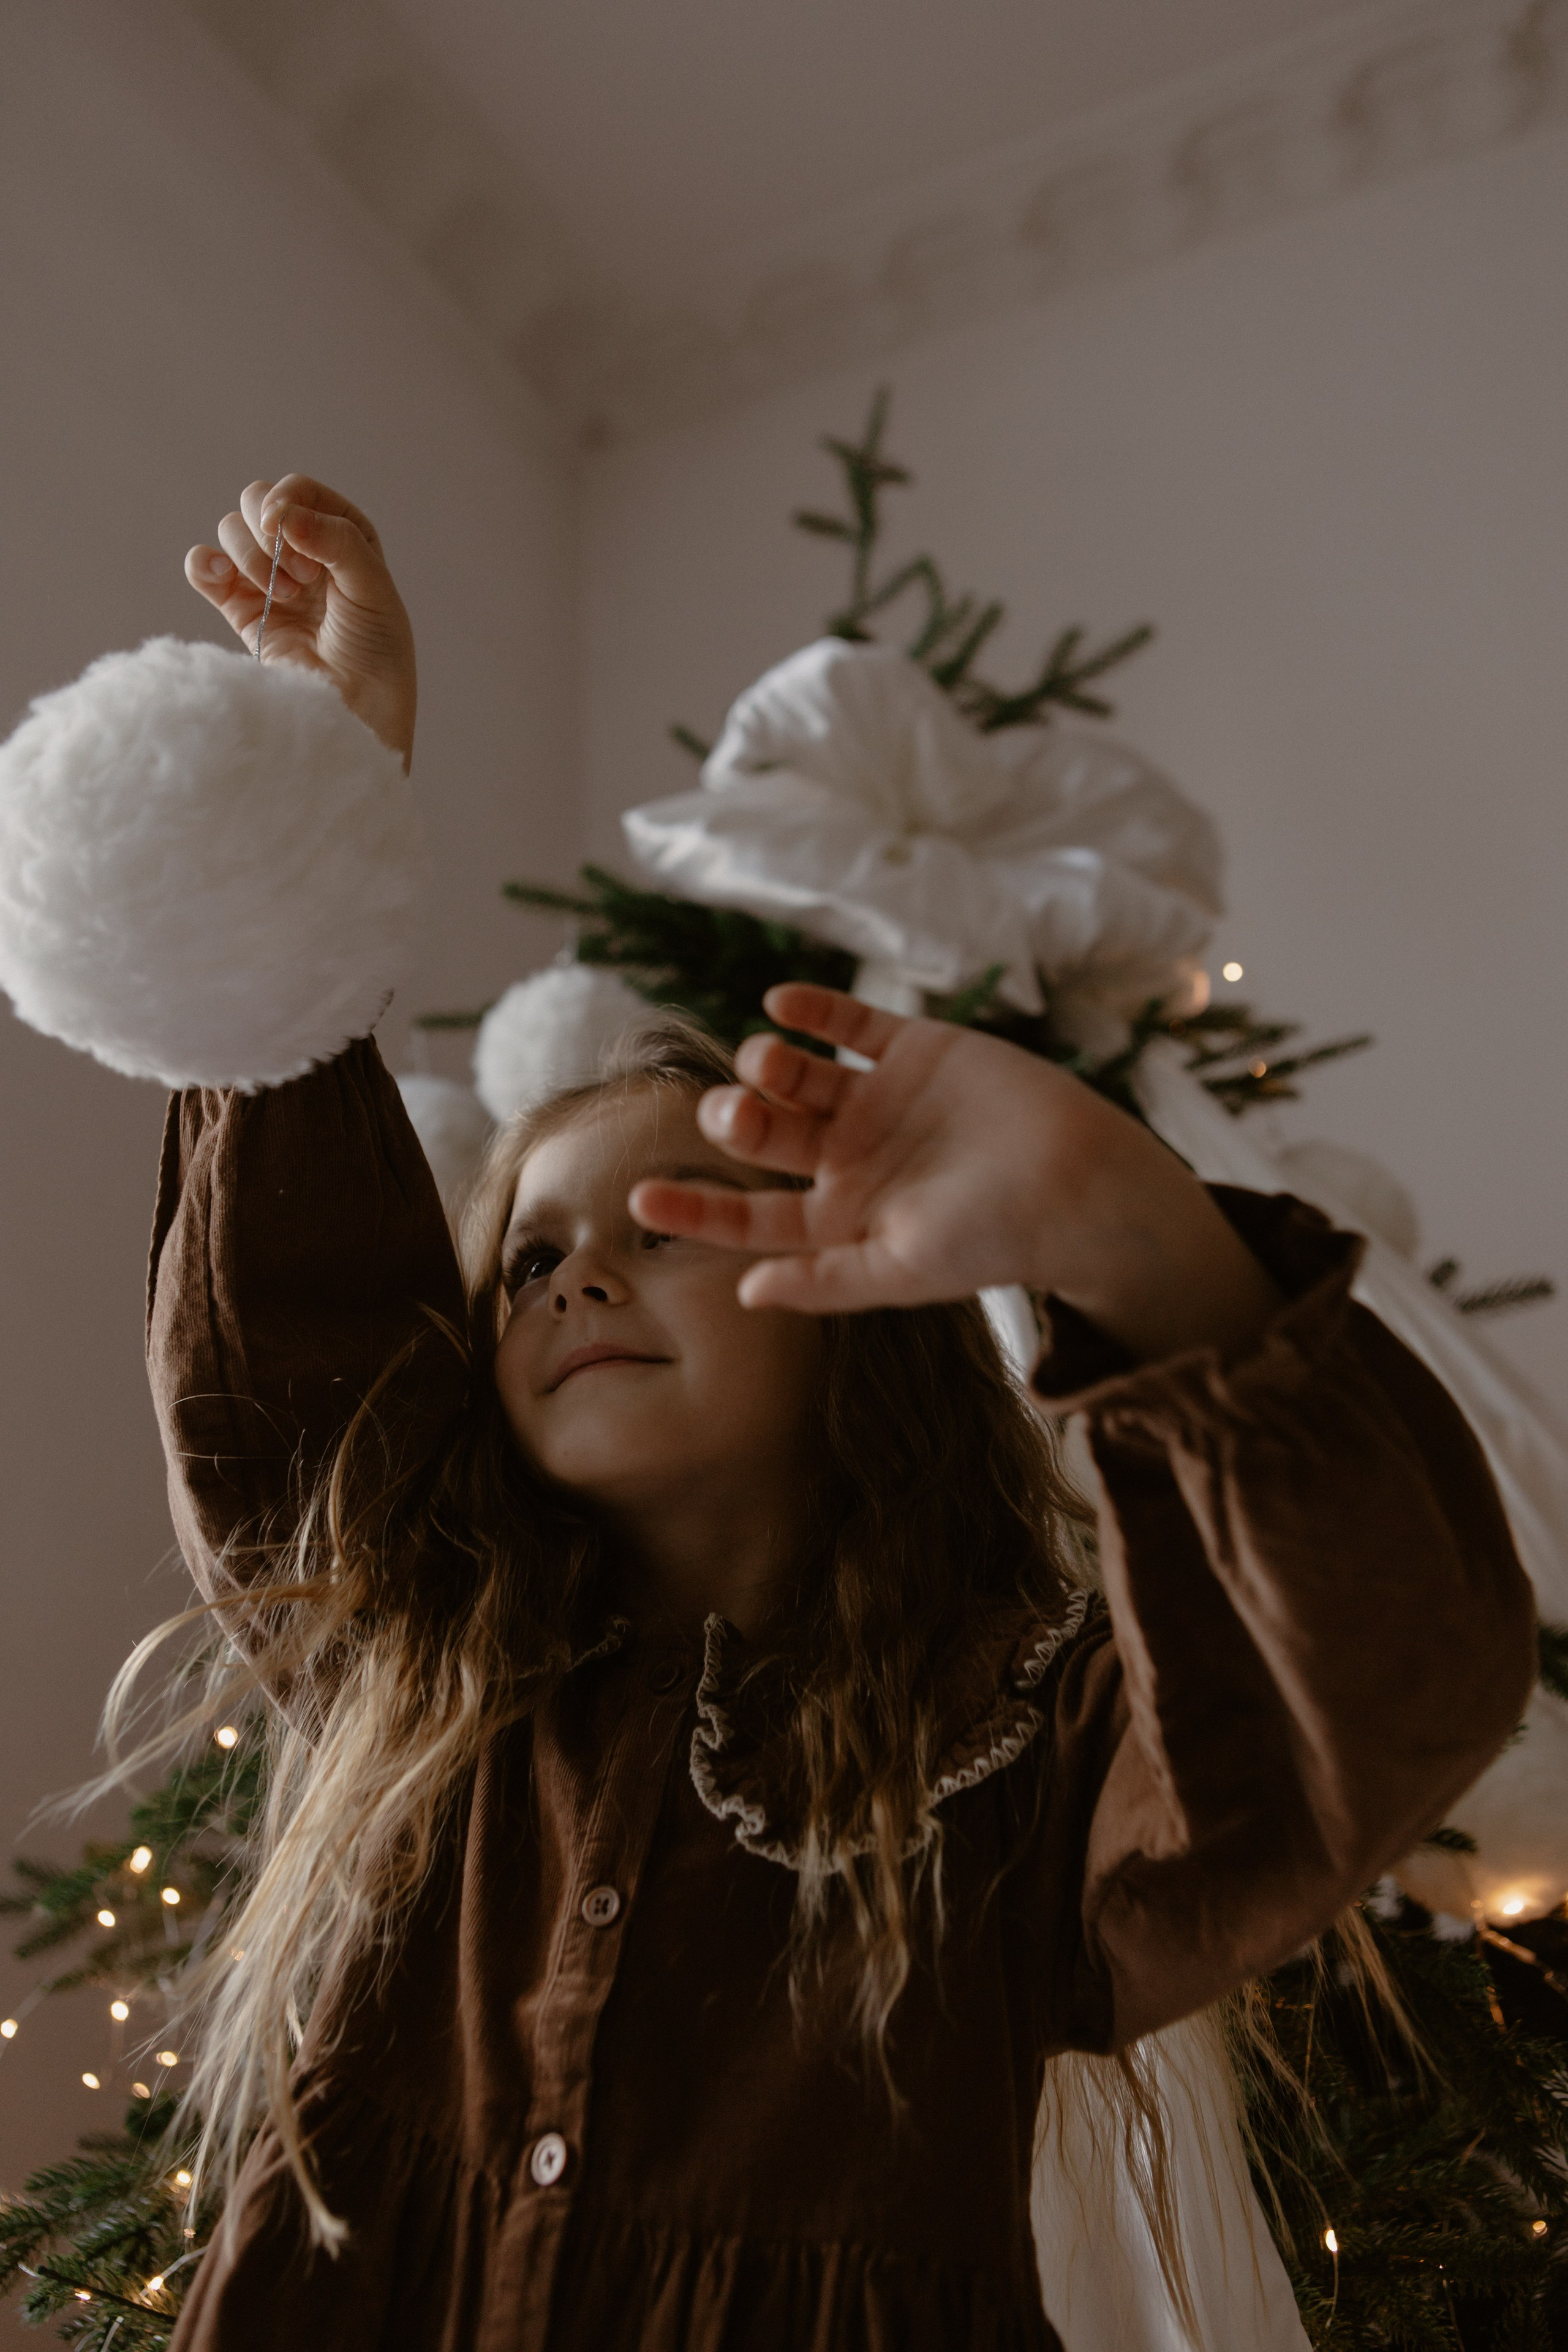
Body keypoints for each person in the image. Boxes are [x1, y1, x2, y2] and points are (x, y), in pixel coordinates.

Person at [149, 478, 1534, 2351]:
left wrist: (1135, 1233)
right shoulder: (427, 1671)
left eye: (659, 1227)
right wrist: (321, 795)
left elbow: (1364, 1702)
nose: (566, 1281)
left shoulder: (1008, 1761)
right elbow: (281, 1356)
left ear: (855, 1321)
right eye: (527, 1262)